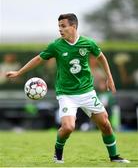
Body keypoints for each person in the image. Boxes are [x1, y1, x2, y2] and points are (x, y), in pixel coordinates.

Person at [6, 13, 130, 164]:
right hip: (66, 94)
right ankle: (57, 153)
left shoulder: (87, 43)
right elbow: (39, 58)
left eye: (63, 26)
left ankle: (114, 156)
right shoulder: (56, 45)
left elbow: (101, 57)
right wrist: (19, 72)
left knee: (105, 123)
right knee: (68, 127)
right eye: (59, 26)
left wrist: (109, 78)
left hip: (87, 92)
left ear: (74, 26)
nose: (60, 29)